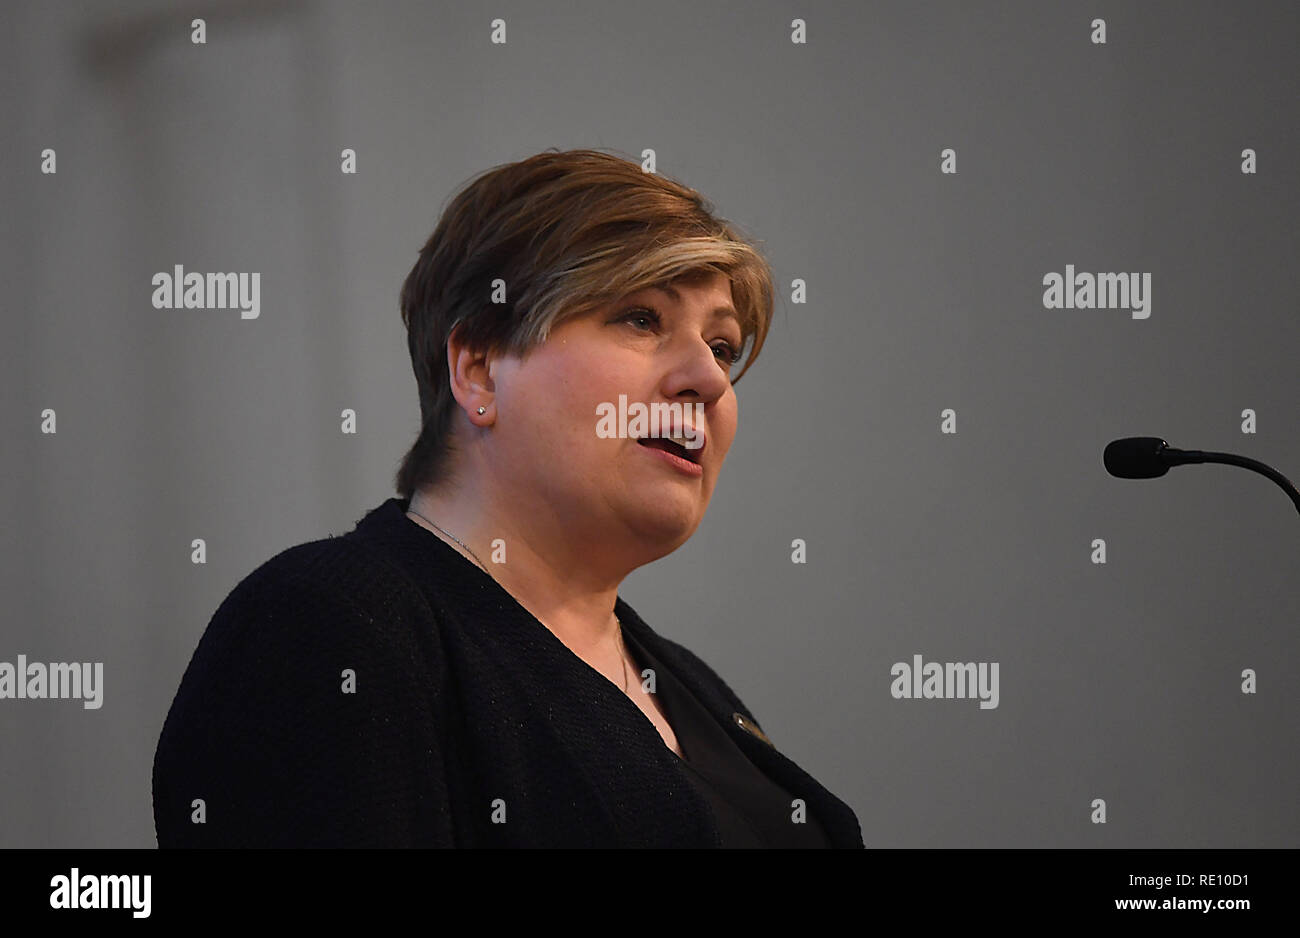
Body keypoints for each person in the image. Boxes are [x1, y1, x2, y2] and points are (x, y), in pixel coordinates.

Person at [152, 148, 865, 848]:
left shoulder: (690, 684)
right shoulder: (330, 624)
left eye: (723, 347)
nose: (708, 380)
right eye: (642, 318)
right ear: (481, 368)